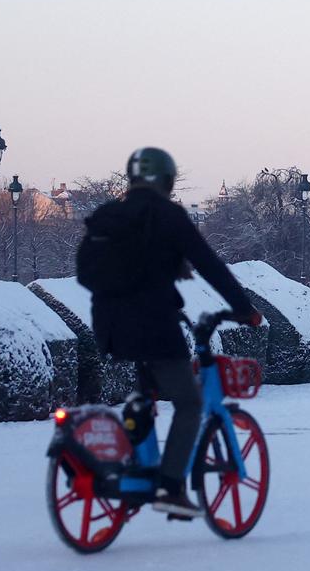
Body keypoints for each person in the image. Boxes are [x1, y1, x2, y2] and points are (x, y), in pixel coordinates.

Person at [77, 147, 262, 519]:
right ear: (167, 180)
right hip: (154, 323)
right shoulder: (168, 215)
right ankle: (170, 486)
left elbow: (84, 272)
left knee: (145, 394)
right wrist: (244, 308)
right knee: (190, 403)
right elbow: (209, 265)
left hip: (109, 324)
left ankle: (138, 453)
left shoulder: (108, 216)